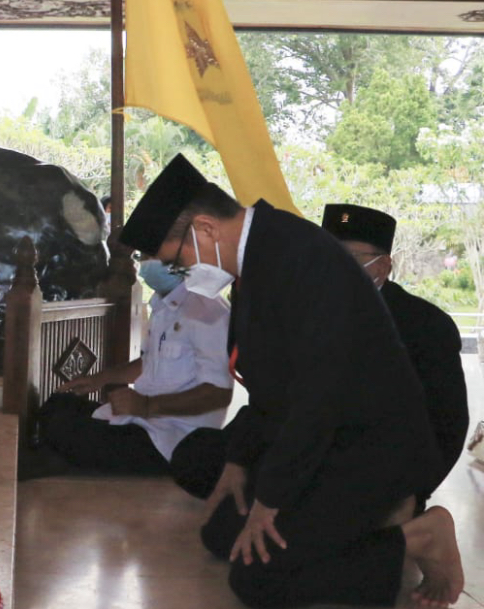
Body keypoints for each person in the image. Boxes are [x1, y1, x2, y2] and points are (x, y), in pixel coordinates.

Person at [120, 154, 462, 609]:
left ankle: (420, 537)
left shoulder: (299, 258)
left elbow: (319, 396)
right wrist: (240, 463)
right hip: (324, 441)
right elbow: (272, 386)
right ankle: (350, 536)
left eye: (178, 261)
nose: (182, 272)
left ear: (203, 230)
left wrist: (272, 498)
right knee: (224, 534)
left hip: (370, 453)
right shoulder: (262, 256)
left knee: (258, 579)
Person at [321, 203, 469, 503]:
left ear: (383, 267)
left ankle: (426, 532)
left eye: (350, 258)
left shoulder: (425, 324)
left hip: (387, 475)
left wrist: (413, 494)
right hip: (317, 461)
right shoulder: (312, 313)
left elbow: (448, 423)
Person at [36, 259, 232, 479]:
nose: (143, 263)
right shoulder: (163, 305)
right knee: (58, 405)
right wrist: (98, 379)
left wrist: (147, 405)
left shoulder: (208, 313)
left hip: (174, 440)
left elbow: (218, 394)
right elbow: (150, 362)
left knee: (63, 427)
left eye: (150, 255)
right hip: (142, 421)